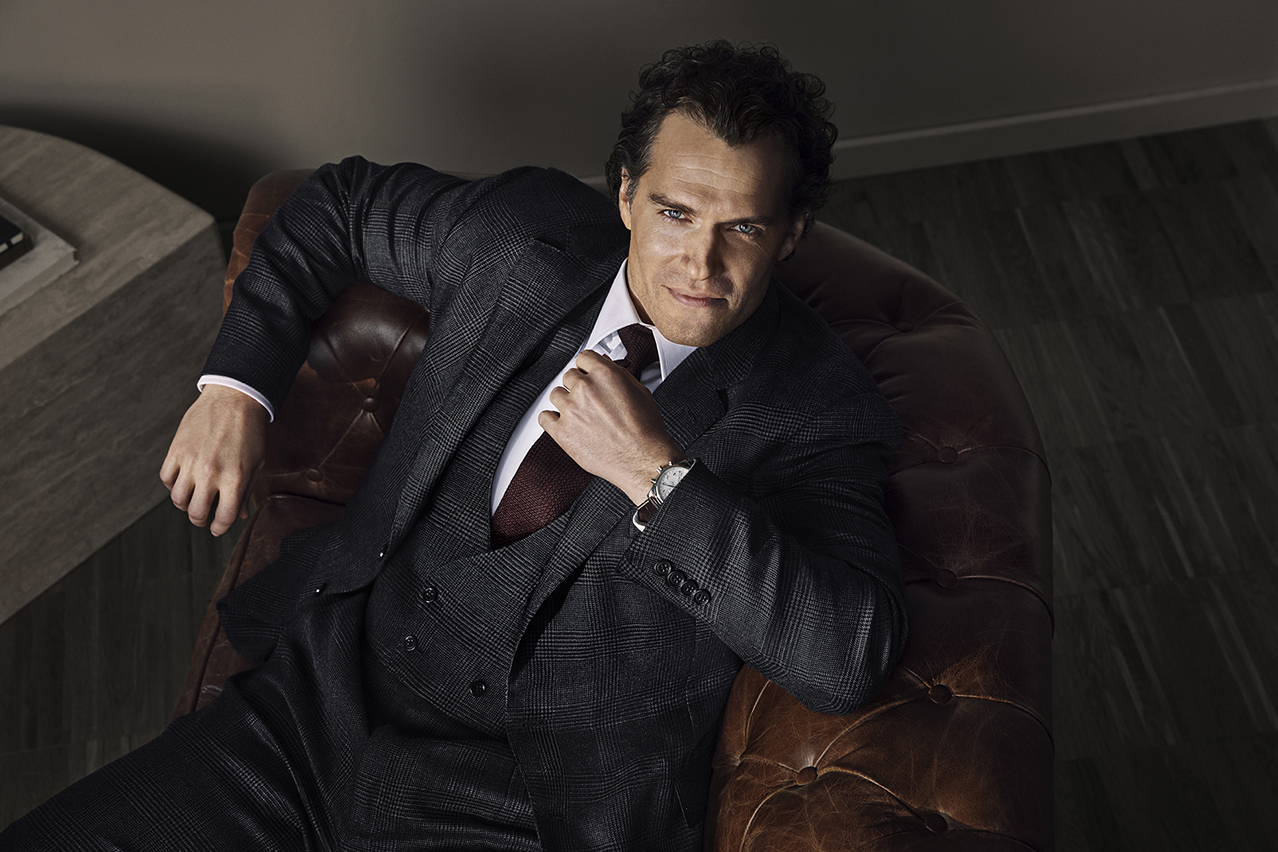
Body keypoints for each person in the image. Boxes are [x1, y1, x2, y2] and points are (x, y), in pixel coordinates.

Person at [2, 40, 906, 851]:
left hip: (529, 808)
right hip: (314, 710)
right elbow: (337, 204)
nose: (699, 265)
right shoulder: (521, 236)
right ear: (628, 196)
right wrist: (234, 390)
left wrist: (656, 478)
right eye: (675, 213)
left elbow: (845, 658)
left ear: (790, 233)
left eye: (742, 228)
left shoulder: (813, 406)